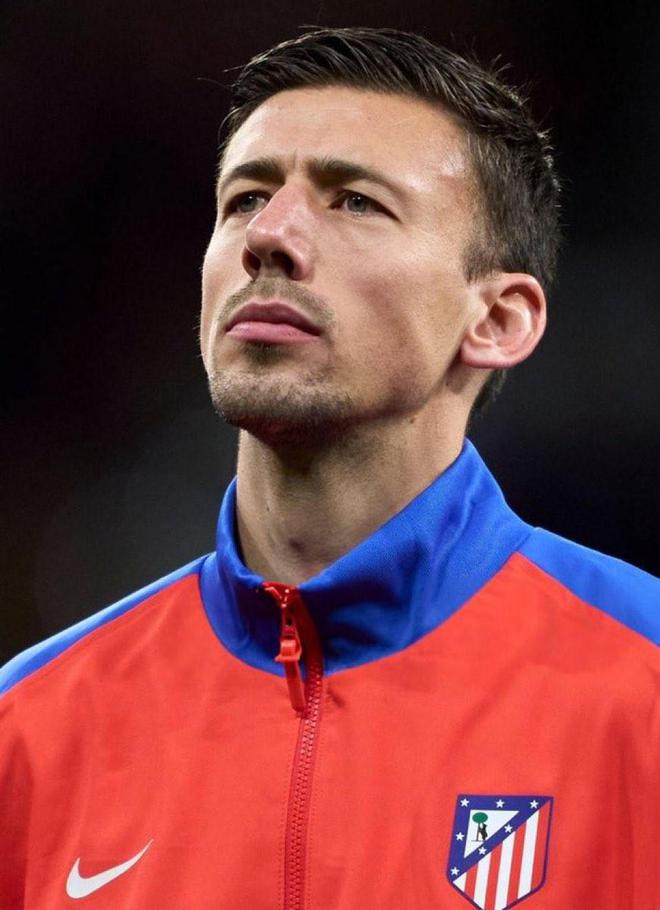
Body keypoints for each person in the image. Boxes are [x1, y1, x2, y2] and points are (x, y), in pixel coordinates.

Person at [1, 26, 657, 910]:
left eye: (354, 202)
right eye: (244, 199)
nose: (268, 236)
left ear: (497, 320)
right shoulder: (29, 731)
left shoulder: (641, 685)